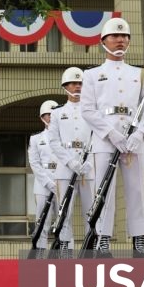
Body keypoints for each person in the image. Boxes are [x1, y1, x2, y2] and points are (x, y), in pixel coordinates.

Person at [80, 17, 144, 257]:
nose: (121, 40)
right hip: (105, 141)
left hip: (134, 141)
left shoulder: (141, 74)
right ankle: (103, 241)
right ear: (103, 41)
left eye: (125, 36)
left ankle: (139, 242)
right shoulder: (92, 75)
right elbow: (87, 109)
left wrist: (141, 133)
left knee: (136, 191)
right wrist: (110, 133)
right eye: (115, 36)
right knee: (104, 192)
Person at [47, 67, 94, 258]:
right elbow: (53, 141)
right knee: (64, 212)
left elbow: (98, 137)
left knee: (91, 212)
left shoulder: (92, 110)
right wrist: (70, 162)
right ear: (65, 86)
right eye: (73, 83)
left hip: (88, 168)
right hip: (65, 169)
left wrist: (89, 162)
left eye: (80, 83)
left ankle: (90, 251)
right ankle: (66, 251)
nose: (77, 87)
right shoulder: (57, 113)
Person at [29, 100, 59, 257]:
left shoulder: (64, 137)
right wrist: (48, 182)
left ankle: (63, 255)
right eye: (48, 114)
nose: (51, 117)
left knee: (64, 221)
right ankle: (39, 255)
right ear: (42, 117)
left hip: (62, 182)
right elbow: (34, 163)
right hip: (42, 185)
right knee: (43, 221)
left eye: (54, 114)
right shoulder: (35, 139)